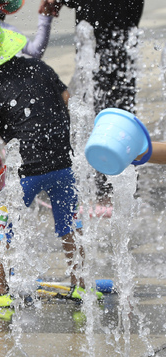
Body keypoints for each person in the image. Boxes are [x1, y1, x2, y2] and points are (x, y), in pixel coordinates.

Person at [0, 10, 99, 307]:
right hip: (63, 163)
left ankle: (0, 289)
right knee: (71, 225)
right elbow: (67, 100)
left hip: (25, 173)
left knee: (1, 225)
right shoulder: (40, 67)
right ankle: (82, 284)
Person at [41, 0, 145, 216]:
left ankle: (106, 186)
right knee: (119, 91)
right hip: (123, 15)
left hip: (102, 16)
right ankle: (120, 179)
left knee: (101, 97)